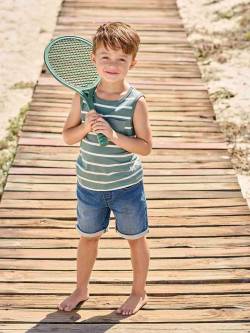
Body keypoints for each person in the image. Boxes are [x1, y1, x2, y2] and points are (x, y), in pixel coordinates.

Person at [57, 21, 152, 316]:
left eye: (121, 59)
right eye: (105, 58)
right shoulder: (82, 97)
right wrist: (86, 126)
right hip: (89, 185)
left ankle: (139, 292)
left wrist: (113, 136)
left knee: (136, 238)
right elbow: (67, 137)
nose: (113, 65)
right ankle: (81, 287)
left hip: (126, 186)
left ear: (132, 62)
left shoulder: (135, 102)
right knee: (88, 237)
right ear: (93, 60)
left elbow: (145, 147)